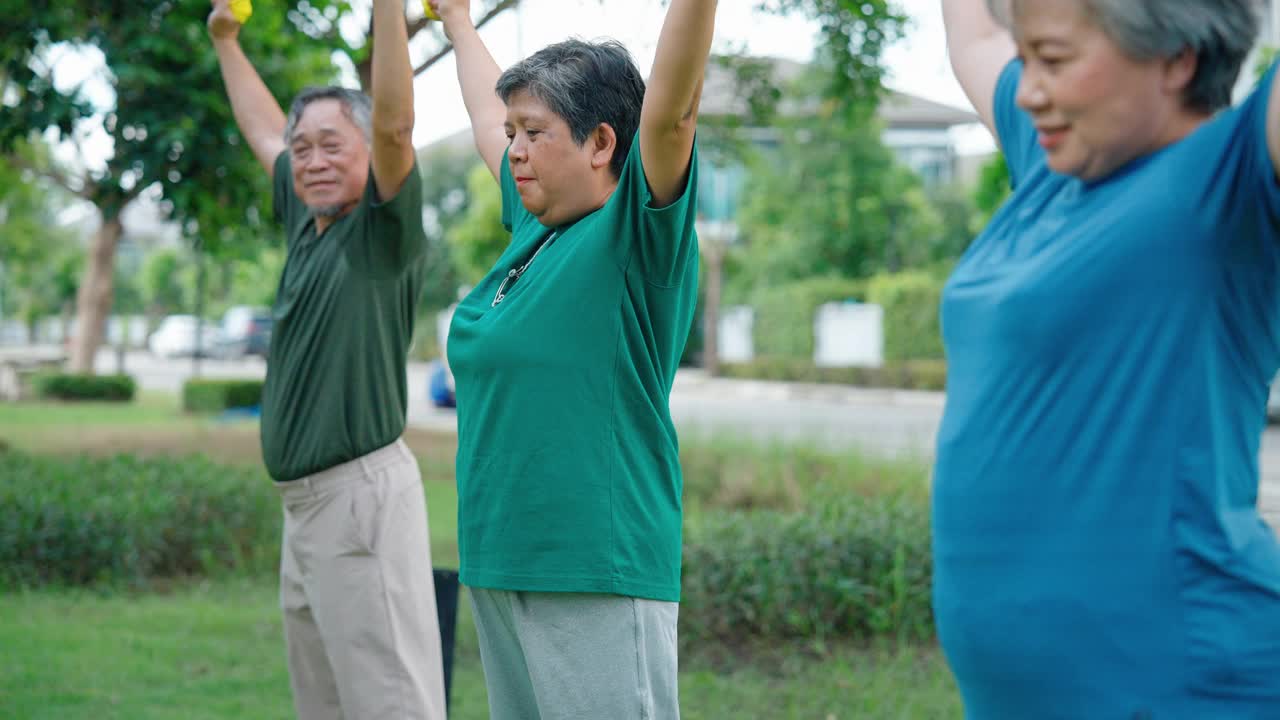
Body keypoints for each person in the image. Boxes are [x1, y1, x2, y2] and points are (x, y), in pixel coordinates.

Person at [936, 0, 1280, 716]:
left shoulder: (1227, 180)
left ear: (1177, 58)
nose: (1029, 89)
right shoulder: (1050, 164)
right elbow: (972, 29)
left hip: (1185, 685)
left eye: (1055, 61)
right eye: (1027, 60)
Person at [429, 0, 717, 716]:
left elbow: (673, 113)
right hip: (501, 562)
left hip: (595, 565)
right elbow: (479, 113)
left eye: (535, 133)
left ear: (600, 143)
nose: (514, 150)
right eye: (512, 134)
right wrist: (459, 21)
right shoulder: (532, 228)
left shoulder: (634, 232)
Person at [206, 0, 445, 717]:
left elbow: (398, 123)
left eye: (332, 144)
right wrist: (225, 38)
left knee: (389, 701)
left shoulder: (380, 233)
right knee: (327, 704)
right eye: (302, 147)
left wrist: (387, 13)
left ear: (370, 152)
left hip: (357, 501)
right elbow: (258, 124)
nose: (311, 159)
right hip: (304, 510)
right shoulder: (308, 225)